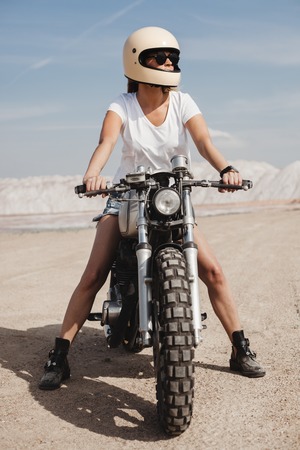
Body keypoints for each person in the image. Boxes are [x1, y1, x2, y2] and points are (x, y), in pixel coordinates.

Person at [39, 26, 265, 390]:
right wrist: (93, 174)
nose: (167, 62)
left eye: (173, 57)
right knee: (94, 274)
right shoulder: (122, 105)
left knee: (214, 271)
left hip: (173, 194)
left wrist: (227, 169)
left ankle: (240, 348)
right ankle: (59, 356)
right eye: (159, 56)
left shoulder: (183, 102)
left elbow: (203, 141)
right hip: (127, 194)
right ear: (136, 61)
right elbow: (106, 141)